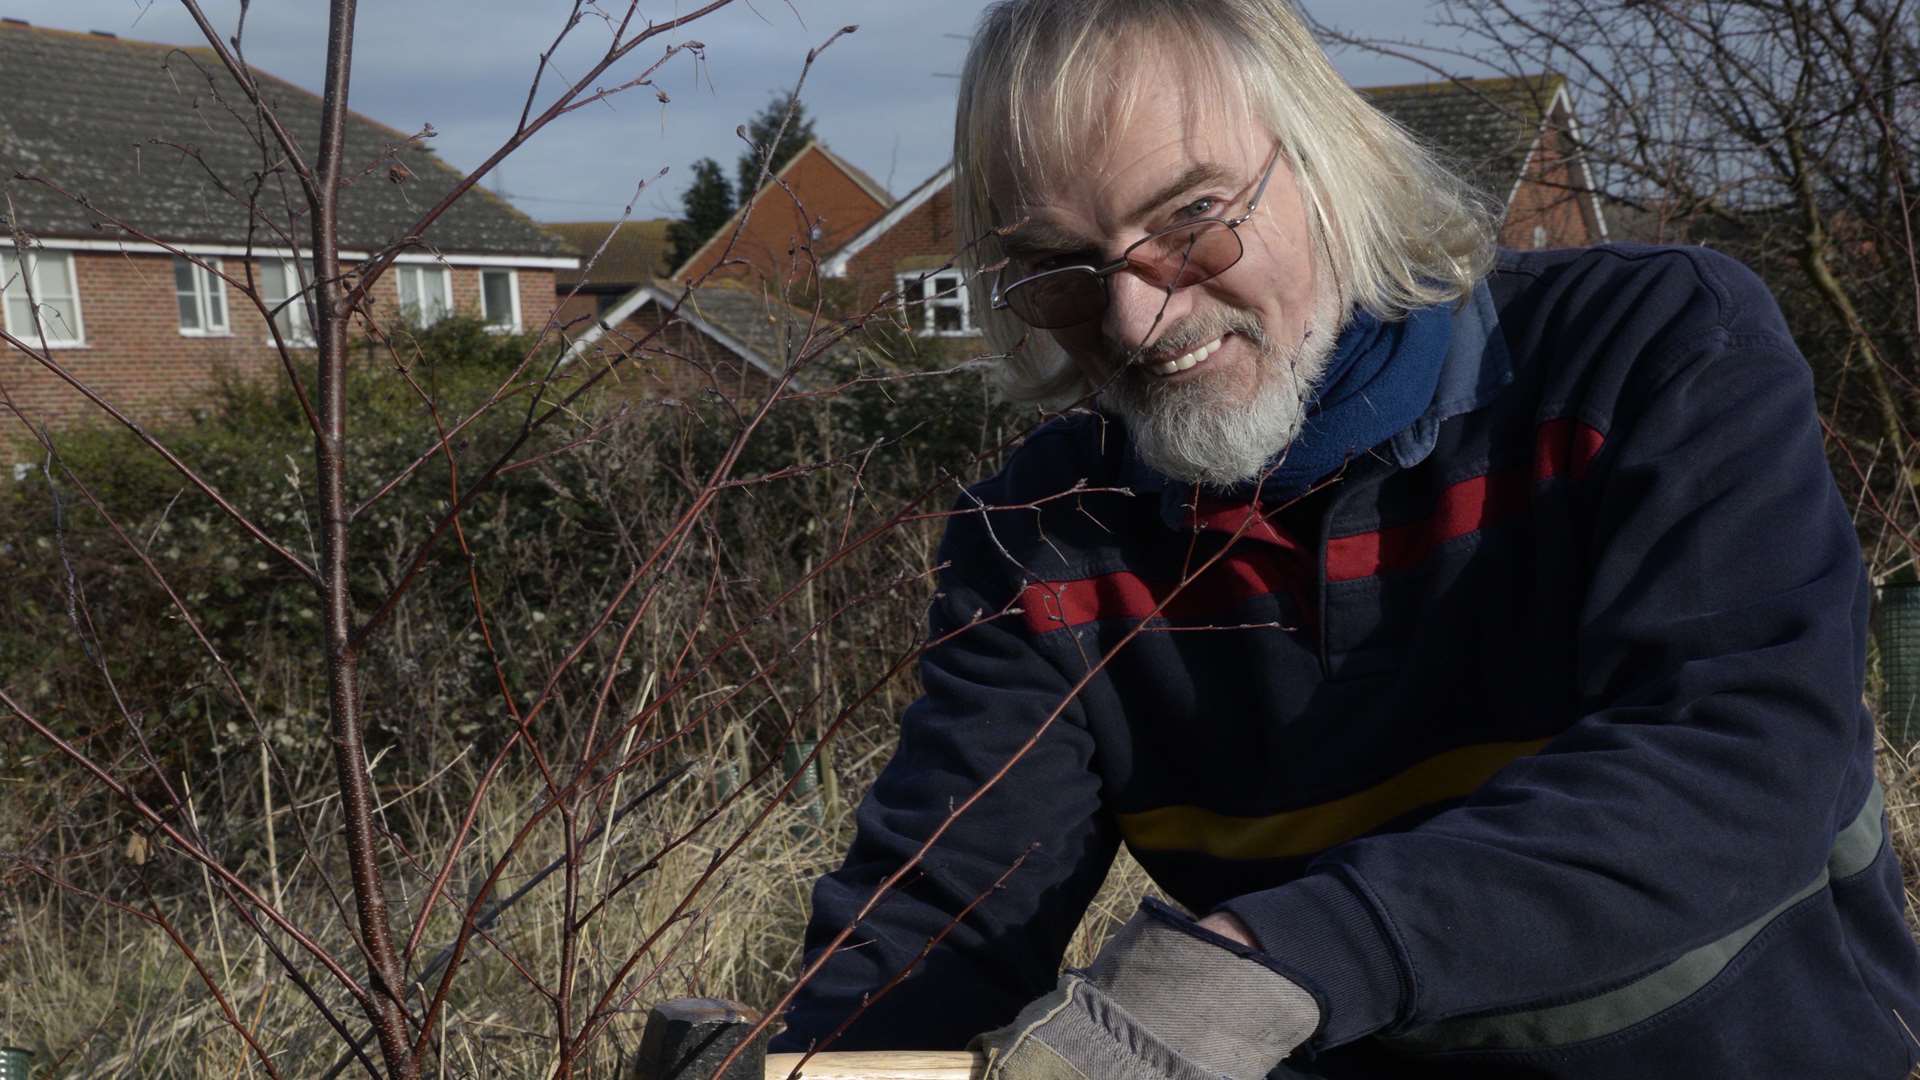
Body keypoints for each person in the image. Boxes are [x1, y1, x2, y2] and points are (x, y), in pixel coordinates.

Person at [773, 0, 1920, 1076]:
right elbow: (947, 921)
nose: (1136, 317)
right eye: (1066, 271)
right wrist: (817, 1062)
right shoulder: (1043, 539)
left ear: (1327, 161)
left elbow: (1737, 756)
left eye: (1191, 223)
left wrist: (1280, 960)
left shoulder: (1650, 350)